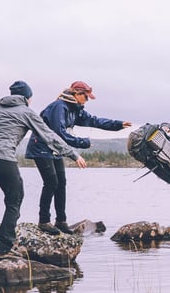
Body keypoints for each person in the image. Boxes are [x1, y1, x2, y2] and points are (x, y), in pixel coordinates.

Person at [0, 80, 87, 257]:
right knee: (14, 200)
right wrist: (74, 154)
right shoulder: (27, 112)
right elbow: (49, 137)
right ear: (27, 97)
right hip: (3, 159)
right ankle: (3, 248)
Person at [25, 81, 131, 235]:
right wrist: (83, 142)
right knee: (51, 182)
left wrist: (118, 124)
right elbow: (58, 133)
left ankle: (61, 221)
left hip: (55, 150)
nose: (87, 101)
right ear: (77, 94)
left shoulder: (75, 110)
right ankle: (44, 221)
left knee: (61, 183)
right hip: (41, 147)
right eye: (86, 97)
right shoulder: (59, 107)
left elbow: (95, 121)